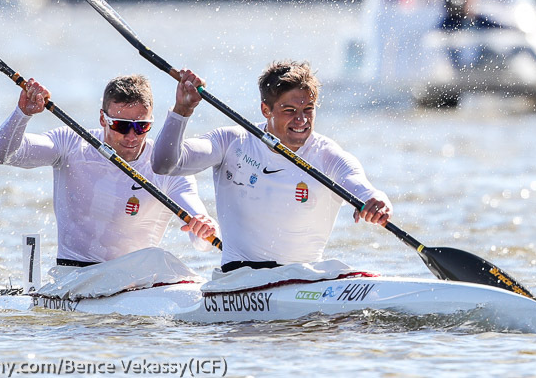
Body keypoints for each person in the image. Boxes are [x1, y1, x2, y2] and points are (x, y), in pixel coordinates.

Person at [151, 61, 392, 273]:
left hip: (305, 279)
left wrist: (376, 201)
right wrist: (183, 110)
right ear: (266, 110)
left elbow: (360, 184)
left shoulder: (328, 155)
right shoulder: (231, 142)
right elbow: (164, 165)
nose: (302, 120)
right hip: (240, 278)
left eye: (308, 109)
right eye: (290, 111)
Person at [0, 74, 218, 267]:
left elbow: (202, 239)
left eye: (142, 127)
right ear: (102, 118)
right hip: (76, 276)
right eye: (121, 125)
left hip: (136, 280)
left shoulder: (166, 165)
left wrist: (205, 227)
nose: (131, 136)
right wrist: (23, 113)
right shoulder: (70, 143)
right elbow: (3, 154)